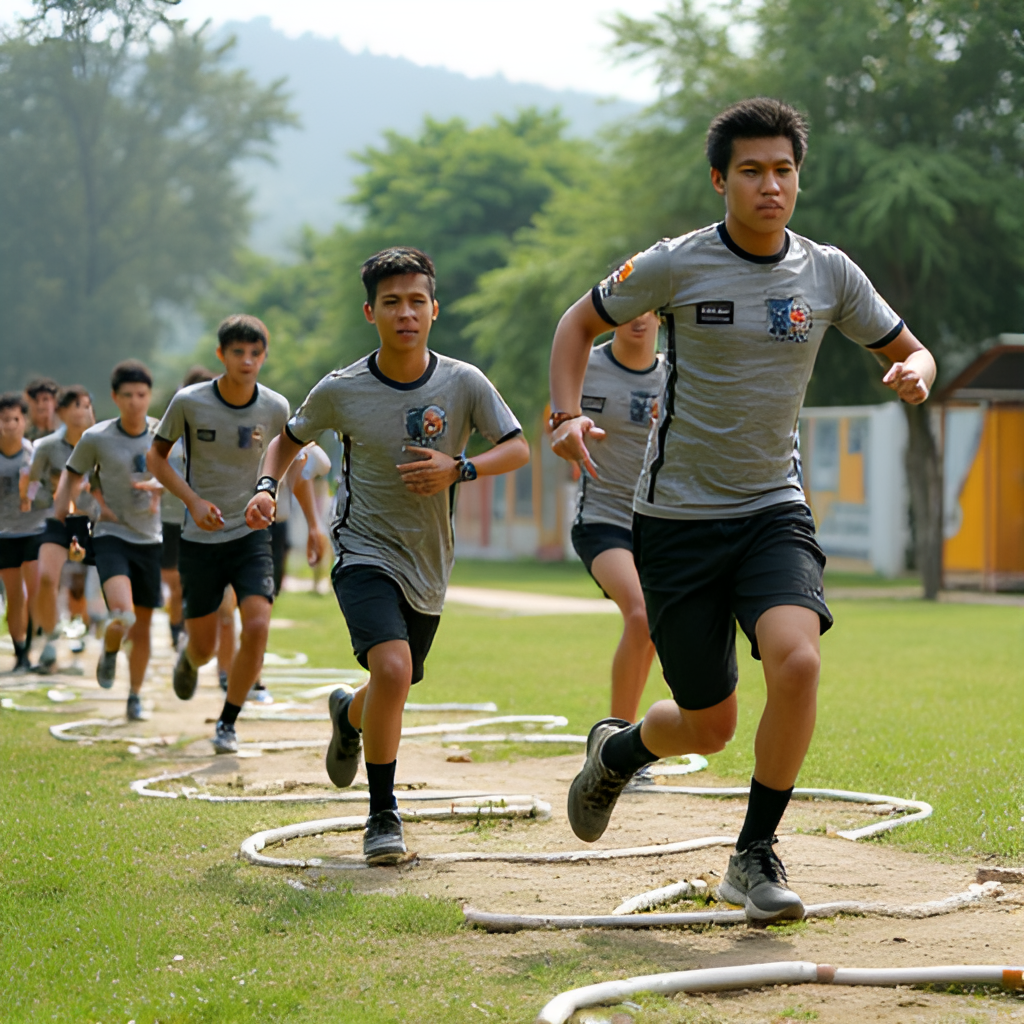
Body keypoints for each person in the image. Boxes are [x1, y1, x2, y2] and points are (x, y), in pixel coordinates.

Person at [548, 98, 936, 924]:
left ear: (799, 179)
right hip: (677, 520)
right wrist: (565, 412)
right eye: (752, 172)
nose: (770, 186)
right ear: (722, 180)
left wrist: (919, 372)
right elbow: (578, 323)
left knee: (797, 662)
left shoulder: (828, 272)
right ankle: (617, 750)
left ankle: (752, 854)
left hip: (772, 507)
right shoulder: (676, 264)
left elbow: (911, 346)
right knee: (708, 724)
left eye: (784, 171)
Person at [244, 247, 529, 865]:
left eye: (417, 301)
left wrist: (462, 468)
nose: (406, 313)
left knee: (390, 683)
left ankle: (348, 715)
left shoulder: (464, 382)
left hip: (430, 559)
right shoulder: (342, 389)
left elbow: (517, 448)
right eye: (392, 303)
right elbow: (285, 444)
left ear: (434, 309)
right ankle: (382, 816)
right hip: (361, 548)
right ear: (371, 311)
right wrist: (267, 489)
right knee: (394, 671)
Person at [147, 314, 295, 753]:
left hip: (250, 536)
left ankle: (227, 721)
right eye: (237, 353)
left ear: (264, 356)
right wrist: (192, 501)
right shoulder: (190, 402)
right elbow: (156, 460)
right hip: (199, 538)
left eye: (255, 353)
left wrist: (268, 493)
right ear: (221, 355)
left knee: (258, 623)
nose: (247, 361)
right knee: (205, 647)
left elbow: (284, 456)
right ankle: (189, 658)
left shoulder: (276, 407)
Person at [567, 309, 666, 723]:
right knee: (641, 614)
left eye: (648, 308)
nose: (637, 319)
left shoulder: (677, 375)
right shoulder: (585, 364)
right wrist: (568, 431)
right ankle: (615, 738)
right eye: (627, 308)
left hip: (660, 523)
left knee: (653, 630)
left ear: (661, 316)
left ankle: (625, 737)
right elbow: (556, 426)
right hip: (601, 518)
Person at [54, 362, 163, 719]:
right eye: (128, 395)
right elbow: (71, 479)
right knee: (124, 614)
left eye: (142, 395)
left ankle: (134, 695)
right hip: (111, 535)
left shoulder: (163, 435)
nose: (135, 402)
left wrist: (161, 487)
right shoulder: (97, 438)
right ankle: (111, 649)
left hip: (151, 538)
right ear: (115, 397)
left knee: (143, 628)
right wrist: (73, 523)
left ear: (150, 396)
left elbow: (184, 476)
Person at [28, 385, 100, 674]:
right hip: (55, 521)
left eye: (87, 405)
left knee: (84, 590)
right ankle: (49, 639)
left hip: (92, 522)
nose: (83, 411)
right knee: (47, 578)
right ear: (61, 412)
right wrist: (57, 495)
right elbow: (32, 488)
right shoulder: (45, 447)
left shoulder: (103, 444)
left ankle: (82, 640)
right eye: (76, 405)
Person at [160, 367, 216, 653]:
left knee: (194, 584)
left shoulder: (219, 435)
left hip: (203, 521)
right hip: (171, 520)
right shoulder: (171, 432)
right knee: (176, 585)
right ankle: (176, 630)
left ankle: (187, 632)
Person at [0, 393, 46, 671]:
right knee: (14, 595)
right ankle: (19, 653)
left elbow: (46, 488)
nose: (9, 425)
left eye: (15, 419)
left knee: (33, 590)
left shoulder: (35, 454)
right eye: (4, 419)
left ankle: (32, 647)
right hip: (4, 533)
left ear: (24, 421)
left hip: (35, 529)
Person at [24, 378, 59, 442]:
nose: (40, 405)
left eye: (45, 399)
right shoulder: (22, 437)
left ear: (55, 402)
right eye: (35, 400)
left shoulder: (64, 434)